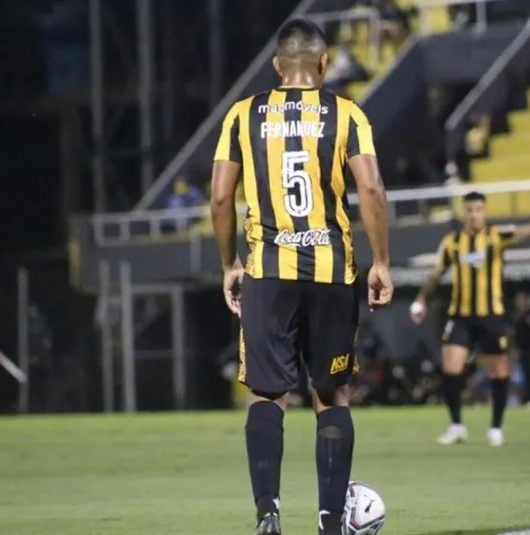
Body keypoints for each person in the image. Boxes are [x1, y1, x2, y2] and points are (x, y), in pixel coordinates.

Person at [210, 19, 393, 535]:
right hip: (331, 270)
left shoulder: (243, 115)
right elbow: (372, 190)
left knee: (267, 396)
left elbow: (221, 197)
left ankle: (268, 513)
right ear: (324, 62)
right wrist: (381, 261)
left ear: (276, 66)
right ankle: (331, 522)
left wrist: (229, 264)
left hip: (268, 271)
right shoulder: (347, 114)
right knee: (331, 396)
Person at [408, 192, 530, 446]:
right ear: (463, 213)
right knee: (451, 368)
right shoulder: (452, 242)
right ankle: (456, 426)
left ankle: (496, 427)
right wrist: (420, 299)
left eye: (478, 209)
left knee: (499, 370)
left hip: (490, 315)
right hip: (460, 316)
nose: (474, 215)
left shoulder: (496, 236)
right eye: (469, 210)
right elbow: (436, 273)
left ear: (485, 212)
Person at [511, 292, 530, 406]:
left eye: (522, 300)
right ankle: (525, 398)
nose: (520, 303)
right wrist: (512, 349)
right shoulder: (515, 317)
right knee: (522, 374)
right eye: (518, 301)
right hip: (520, 350)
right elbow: (511, 333)